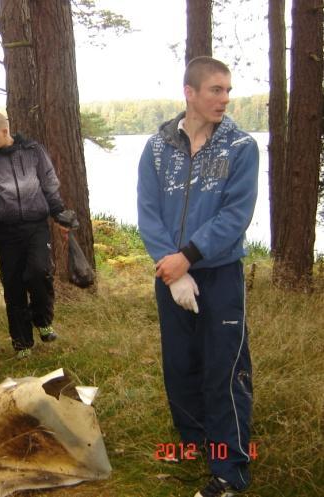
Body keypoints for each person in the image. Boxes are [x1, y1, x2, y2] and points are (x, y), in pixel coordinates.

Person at [137, 57, 258, 497]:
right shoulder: (155, 148)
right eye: (215, 90)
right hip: (170, 275)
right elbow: (148, 213)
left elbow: (235, 216)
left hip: (220, 274)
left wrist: (187, 257)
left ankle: (229, 472)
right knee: (180, 365)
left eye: (228, 90)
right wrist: (171, 270)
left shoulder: (241, 147)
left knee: (223, 370)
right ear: (190, 92)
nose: (225, 99)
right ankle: (195, 446)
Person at [0, 111, 72, 359]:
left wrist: (59, 213)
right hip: (6, 232)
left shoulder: (33, 152)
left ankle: (42, 320)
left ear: (5, 131)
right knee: (13, 285)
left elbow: (49, 184)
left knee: (40, 272)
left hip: (36, 226)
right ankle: (22, 342)